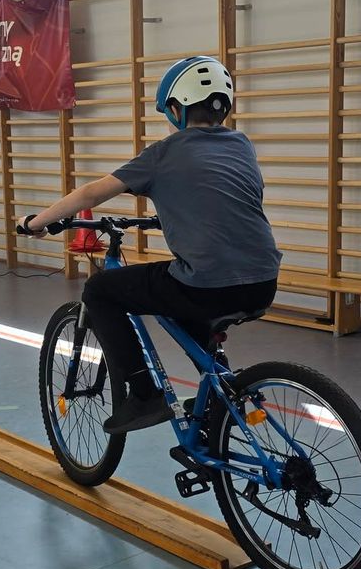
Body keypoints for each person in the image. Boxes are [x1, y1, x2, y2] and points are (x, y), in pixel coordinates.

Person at [18, 56, 281, 434]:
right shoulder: (241, 145)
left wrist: (36, 222)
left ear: (176, 109)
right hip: (264, 281)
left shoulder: (164, 153)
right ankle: (222, 395)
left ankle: (143, 394)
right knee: (186, 306)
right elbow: (229, 201)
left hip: (207, 283)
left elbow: (92, 193)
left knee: (101, 290)